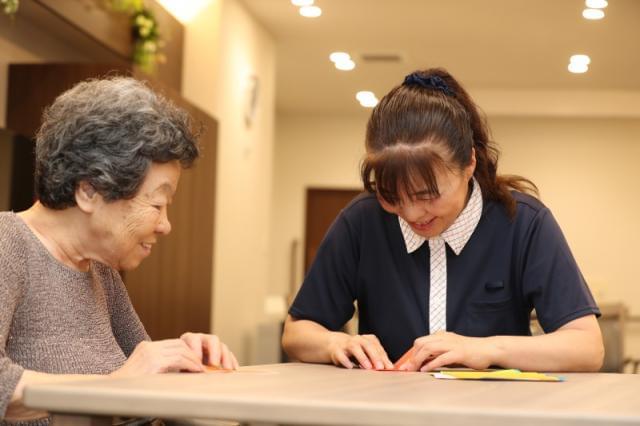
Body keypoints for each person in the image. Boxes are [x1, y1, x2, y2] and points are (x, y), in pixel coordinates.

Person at [282, 68, 604, 373]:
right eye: (392, 195)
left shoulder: (524, 223)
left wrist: (485, 350)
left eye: (426, 195)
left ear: (469, 164)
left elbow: (587, 346)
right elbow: (296, 333)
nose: (410, 214)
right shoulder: (362, 221)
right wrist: (334, 342)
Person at [0, 77, 238, 424]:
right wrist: (112, 385)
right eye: (157, 204)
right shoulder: (8, 244)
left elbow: (142, 378)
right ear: (89, 191)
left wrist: (185, 361)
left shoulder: (100, 270)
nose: (165, 225)